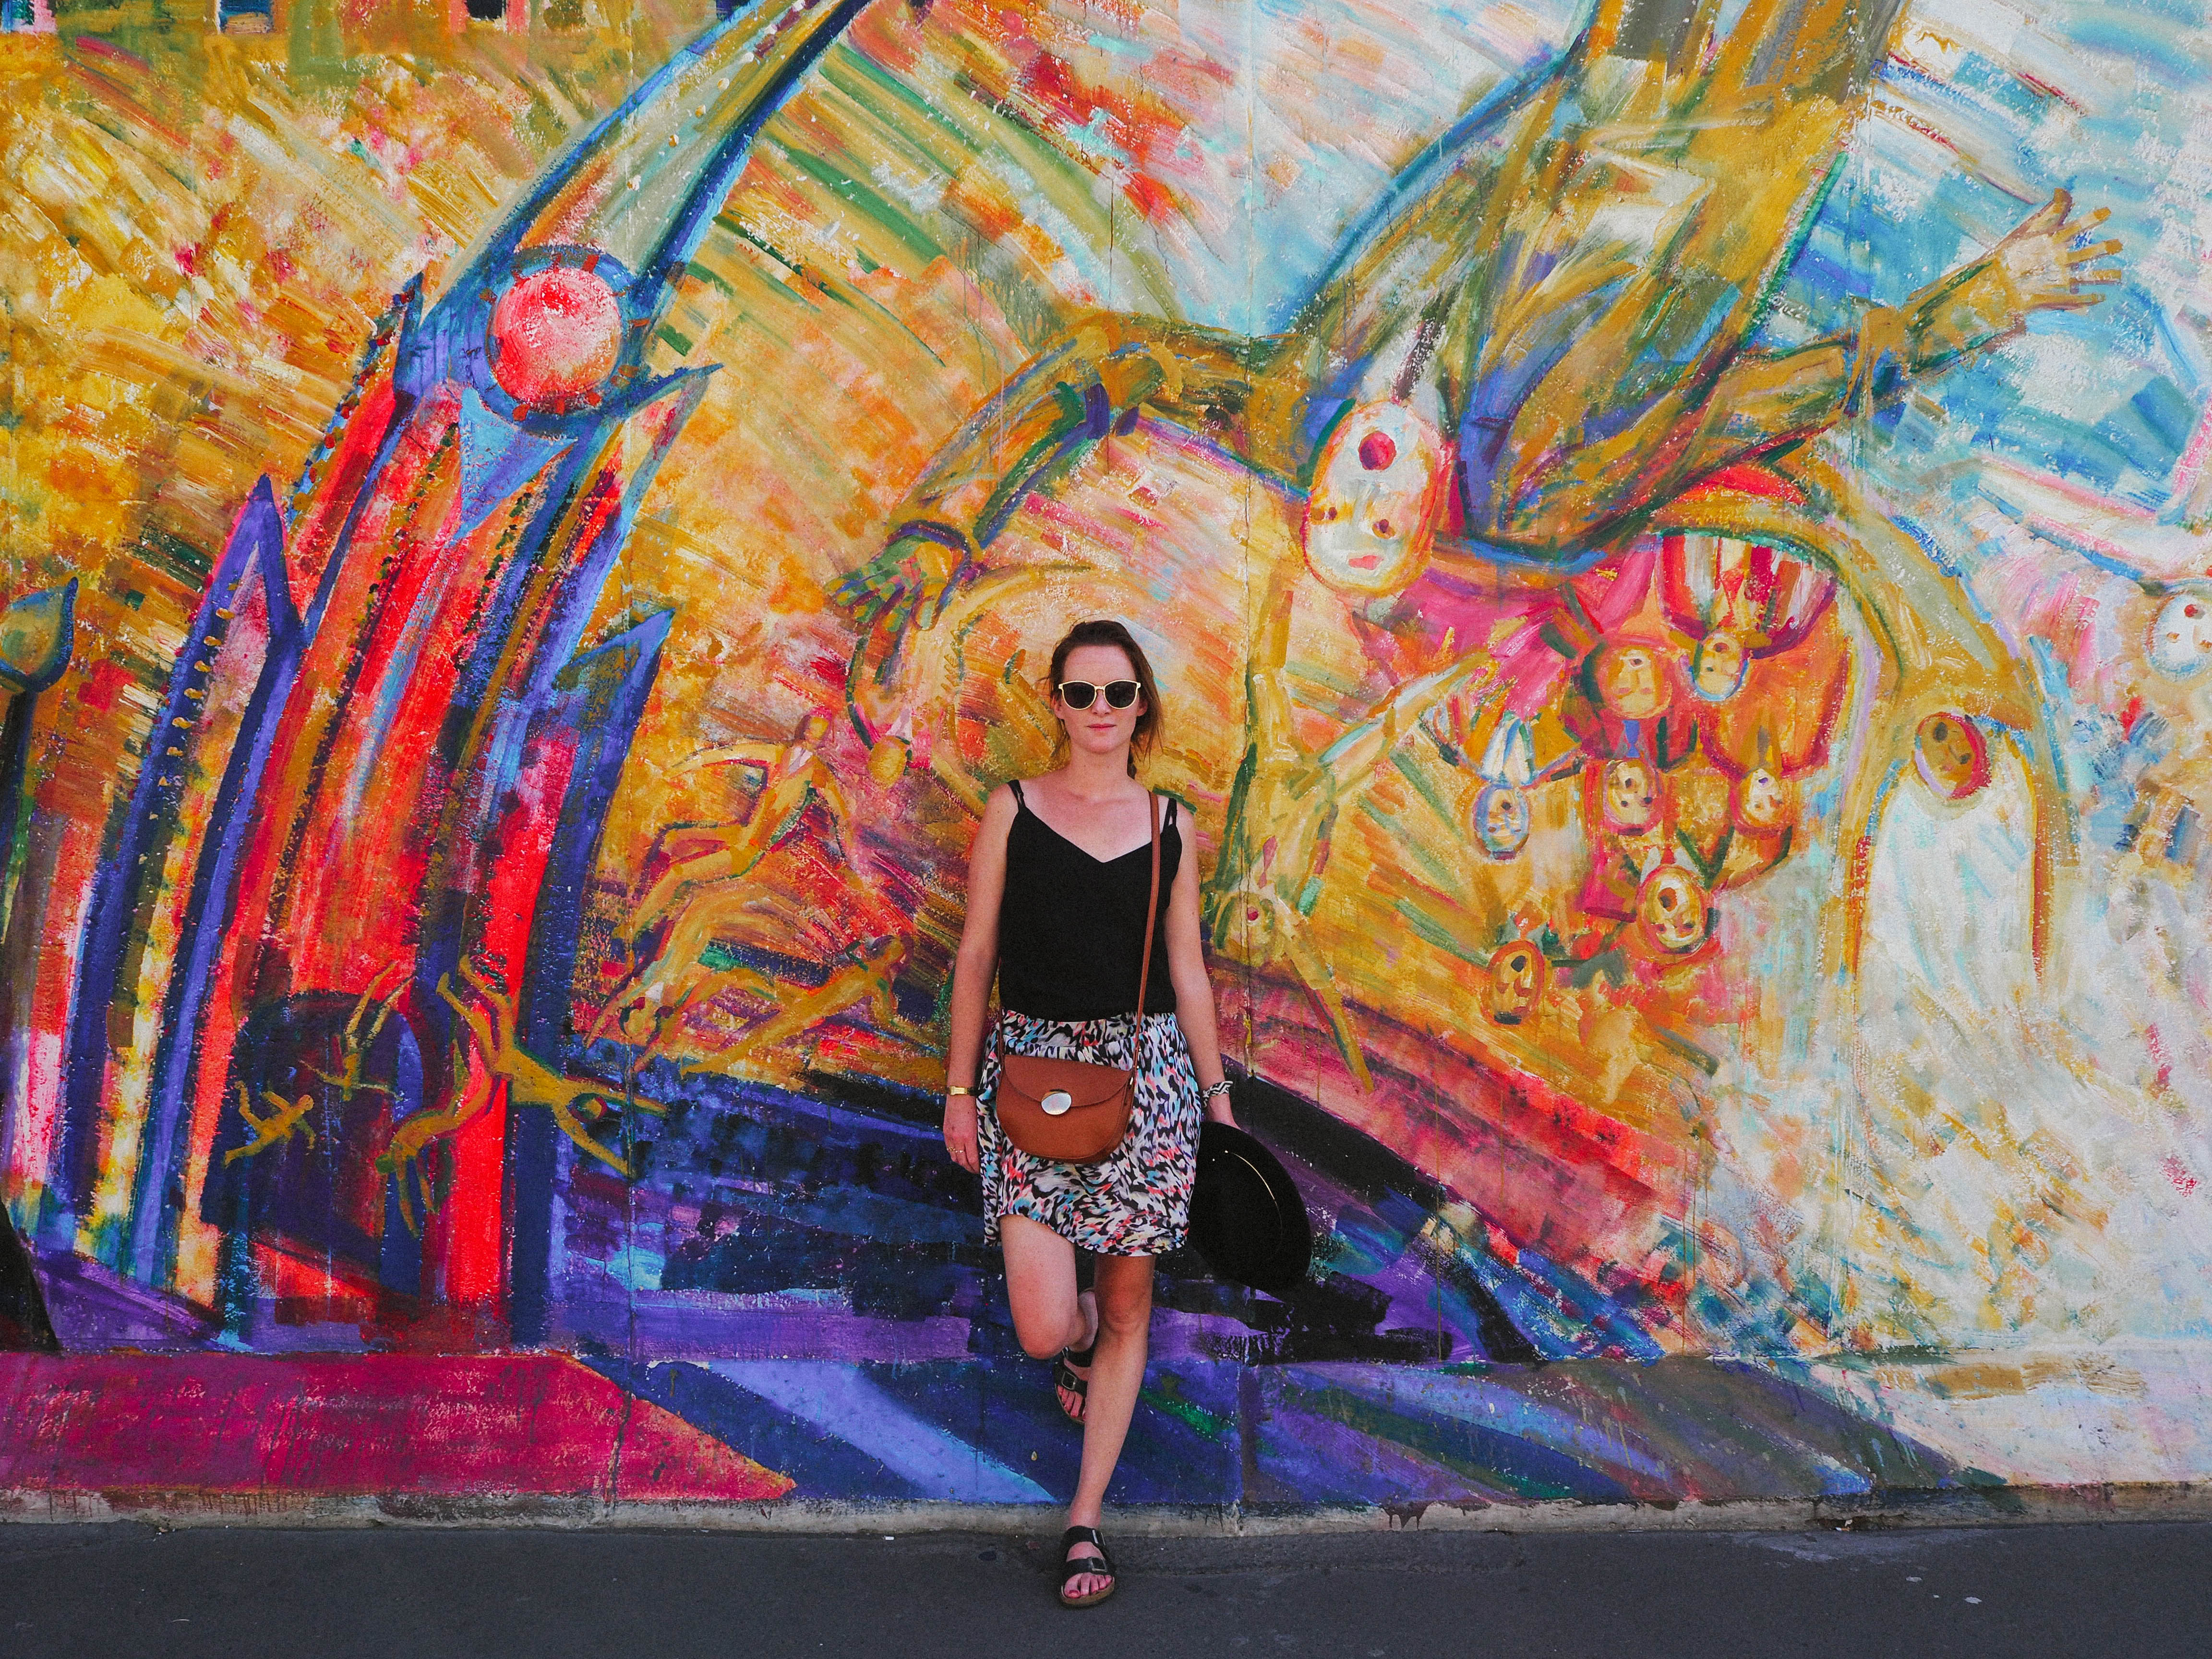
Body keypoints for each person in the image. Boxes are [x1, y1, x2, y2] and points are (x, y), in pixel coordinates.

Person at [939, 618, 1237, 1609]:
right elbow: (976, 955)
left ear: (1141, 704)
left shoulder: (1171, 823)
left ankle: (1083, 1522)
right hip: (1029, 1079)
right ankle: (1072, 1341)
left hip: (1148, 1082)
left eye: (1117, 692)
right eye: (1081, 693)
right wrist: (958, 1092)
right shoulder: (1013, 809)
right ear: (1057, 705)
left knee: (1129, 1305)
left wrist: (1218, 1102)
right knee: (1040, 1326)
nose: (1100, 709)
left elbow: (1189, 972)